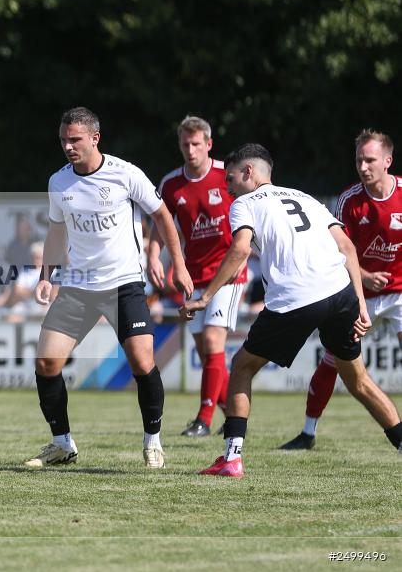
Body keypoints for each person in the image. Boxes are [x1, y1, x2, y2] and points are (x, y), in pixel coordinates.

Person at [181, 143, 402, 478]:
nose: (226, 186)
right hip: (339, 292)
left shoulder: (243, 204)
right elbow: (346, 247)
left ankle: (232, 458)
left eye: (230, 178)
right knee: (358, 380)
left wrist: (206, 296)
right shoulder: (304, 197)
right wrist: (359, 303)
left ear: (249, 173)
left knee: (241, 366)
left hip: (296, 298)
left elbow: (240, 249)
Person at [25, 106, 193, 469]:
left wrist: (176, 264)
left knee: (142, 361)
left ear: (95, 138)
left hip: (124, 284)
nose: (68, 147)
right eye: (63, 141)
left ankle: (153, 441)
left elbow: (162, 215)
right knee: (46, 362)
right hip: (77, 286)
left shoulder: (125, 174)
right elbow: (56, 230)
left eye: (75, 140)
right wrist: (45, 275)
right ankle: (62, 443)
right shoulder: (59, 181)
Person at [281, 130, 402, 450]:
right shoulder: (350, 201)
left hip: (401, 294)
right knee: (333, 359)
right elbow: (336, 251)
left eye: (370, 160)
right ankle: (308, 433)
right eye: (359, 159)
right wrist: (364, 276)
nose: (363, 166)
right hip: (363, 297)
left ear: (388, 161)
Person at [149, 116, 247, 437]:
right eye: (184, 144)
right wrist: (153, 254)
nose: (190, 150)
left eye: (196, 144)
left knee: (213, 341)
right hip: (193, 276)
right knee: (206, 353)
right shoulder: (171, 184)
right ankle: (231, 413)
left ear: (209, 144)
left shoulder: (227, 175)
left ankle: (203, 420)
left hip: (228, 273)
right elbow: (161, 224)